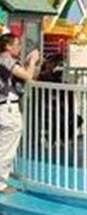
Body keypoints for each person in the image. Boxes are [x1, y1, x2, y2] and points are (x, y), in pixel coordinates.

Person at [0, 33, 42, 193]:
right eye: (17, 45)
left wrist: (29, 64)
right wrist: (33, 61)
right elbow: (28, 76)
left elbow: (25, 76)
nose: (19, 48)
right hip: (7, 108)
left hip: (6, 107)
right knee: (6, 148)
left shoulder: (7, 62)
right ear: (8, 46)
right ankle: (1, 184)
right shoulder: (5, 60)